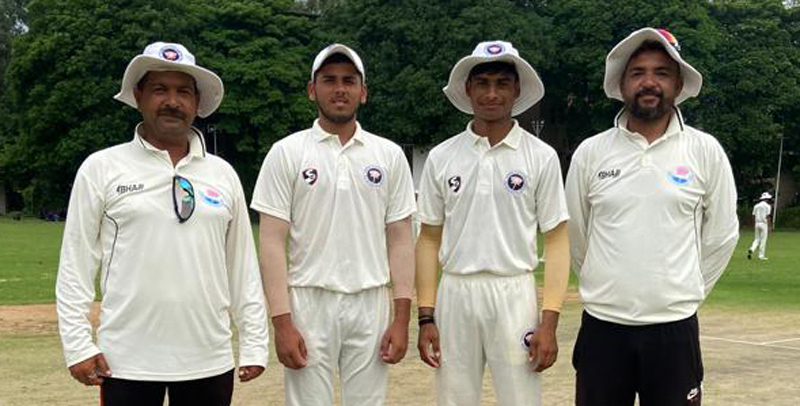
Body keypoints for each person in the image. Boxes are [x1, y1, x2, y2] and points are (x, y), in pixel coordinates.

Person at [56, 42, 269, 406]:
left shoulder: (223, 174)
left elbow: (242, 268)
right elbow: (76, 264)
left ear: (197, 102)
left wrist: (254, 344)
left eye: (183, 91)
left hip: (207, 358)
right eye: (160, 89)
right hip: (126, 361)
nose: (172, 101)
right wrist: (78, 345)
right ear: (138, 96)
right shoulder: (102, 168)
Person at [565, 28, 739, 406]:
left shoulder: (704, 150)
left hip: (674, 331)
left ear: (678, 82)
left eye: (661, 72)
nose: (649, 82)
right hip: (603, 328)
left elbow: (722, 235)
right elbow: (578, 235)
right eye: (638, 72)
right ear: (622, 83)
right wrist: (606, 286)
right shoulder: (591, 152)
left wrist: (683, 290)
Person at [251, 43, 416, 406]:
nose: (339, 89)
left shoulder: (387, 155)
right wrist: (282, 322)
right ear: (312, 90)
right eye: (328, 80)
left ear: (363, 91)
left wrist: (401, 318)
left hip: (370, 300)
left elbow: (401, 240)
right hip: (308, 300)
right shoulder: (287, 152)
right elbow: (272, 243)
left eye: (349, 80)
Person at [415, 41, 571, 406]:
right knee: (454, 399)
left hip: (513, 293)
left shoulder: (541, 156)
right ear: (467, 89)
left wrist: (549, 322)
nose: (491, 93)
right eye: (482, 83)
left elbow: (558, 240)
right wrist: (426, 318)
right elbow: (428, 240)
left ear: (517, 90)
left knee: (521, 399)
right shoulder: (442, 157)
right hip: (456, 292)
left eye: (502, 83)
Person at [748, 192, 773, 260]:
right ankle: (761, 255)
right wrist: (769, 226)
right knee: (763, 240)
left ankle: (752, 249)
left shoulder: (756, 206)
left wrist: (754, 224)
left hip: (757, 223)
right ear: (767, 199)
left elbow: (753, 215)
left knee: (756, 239)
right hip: (763, 224)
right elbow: (768, 216)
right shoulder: (768, 206)